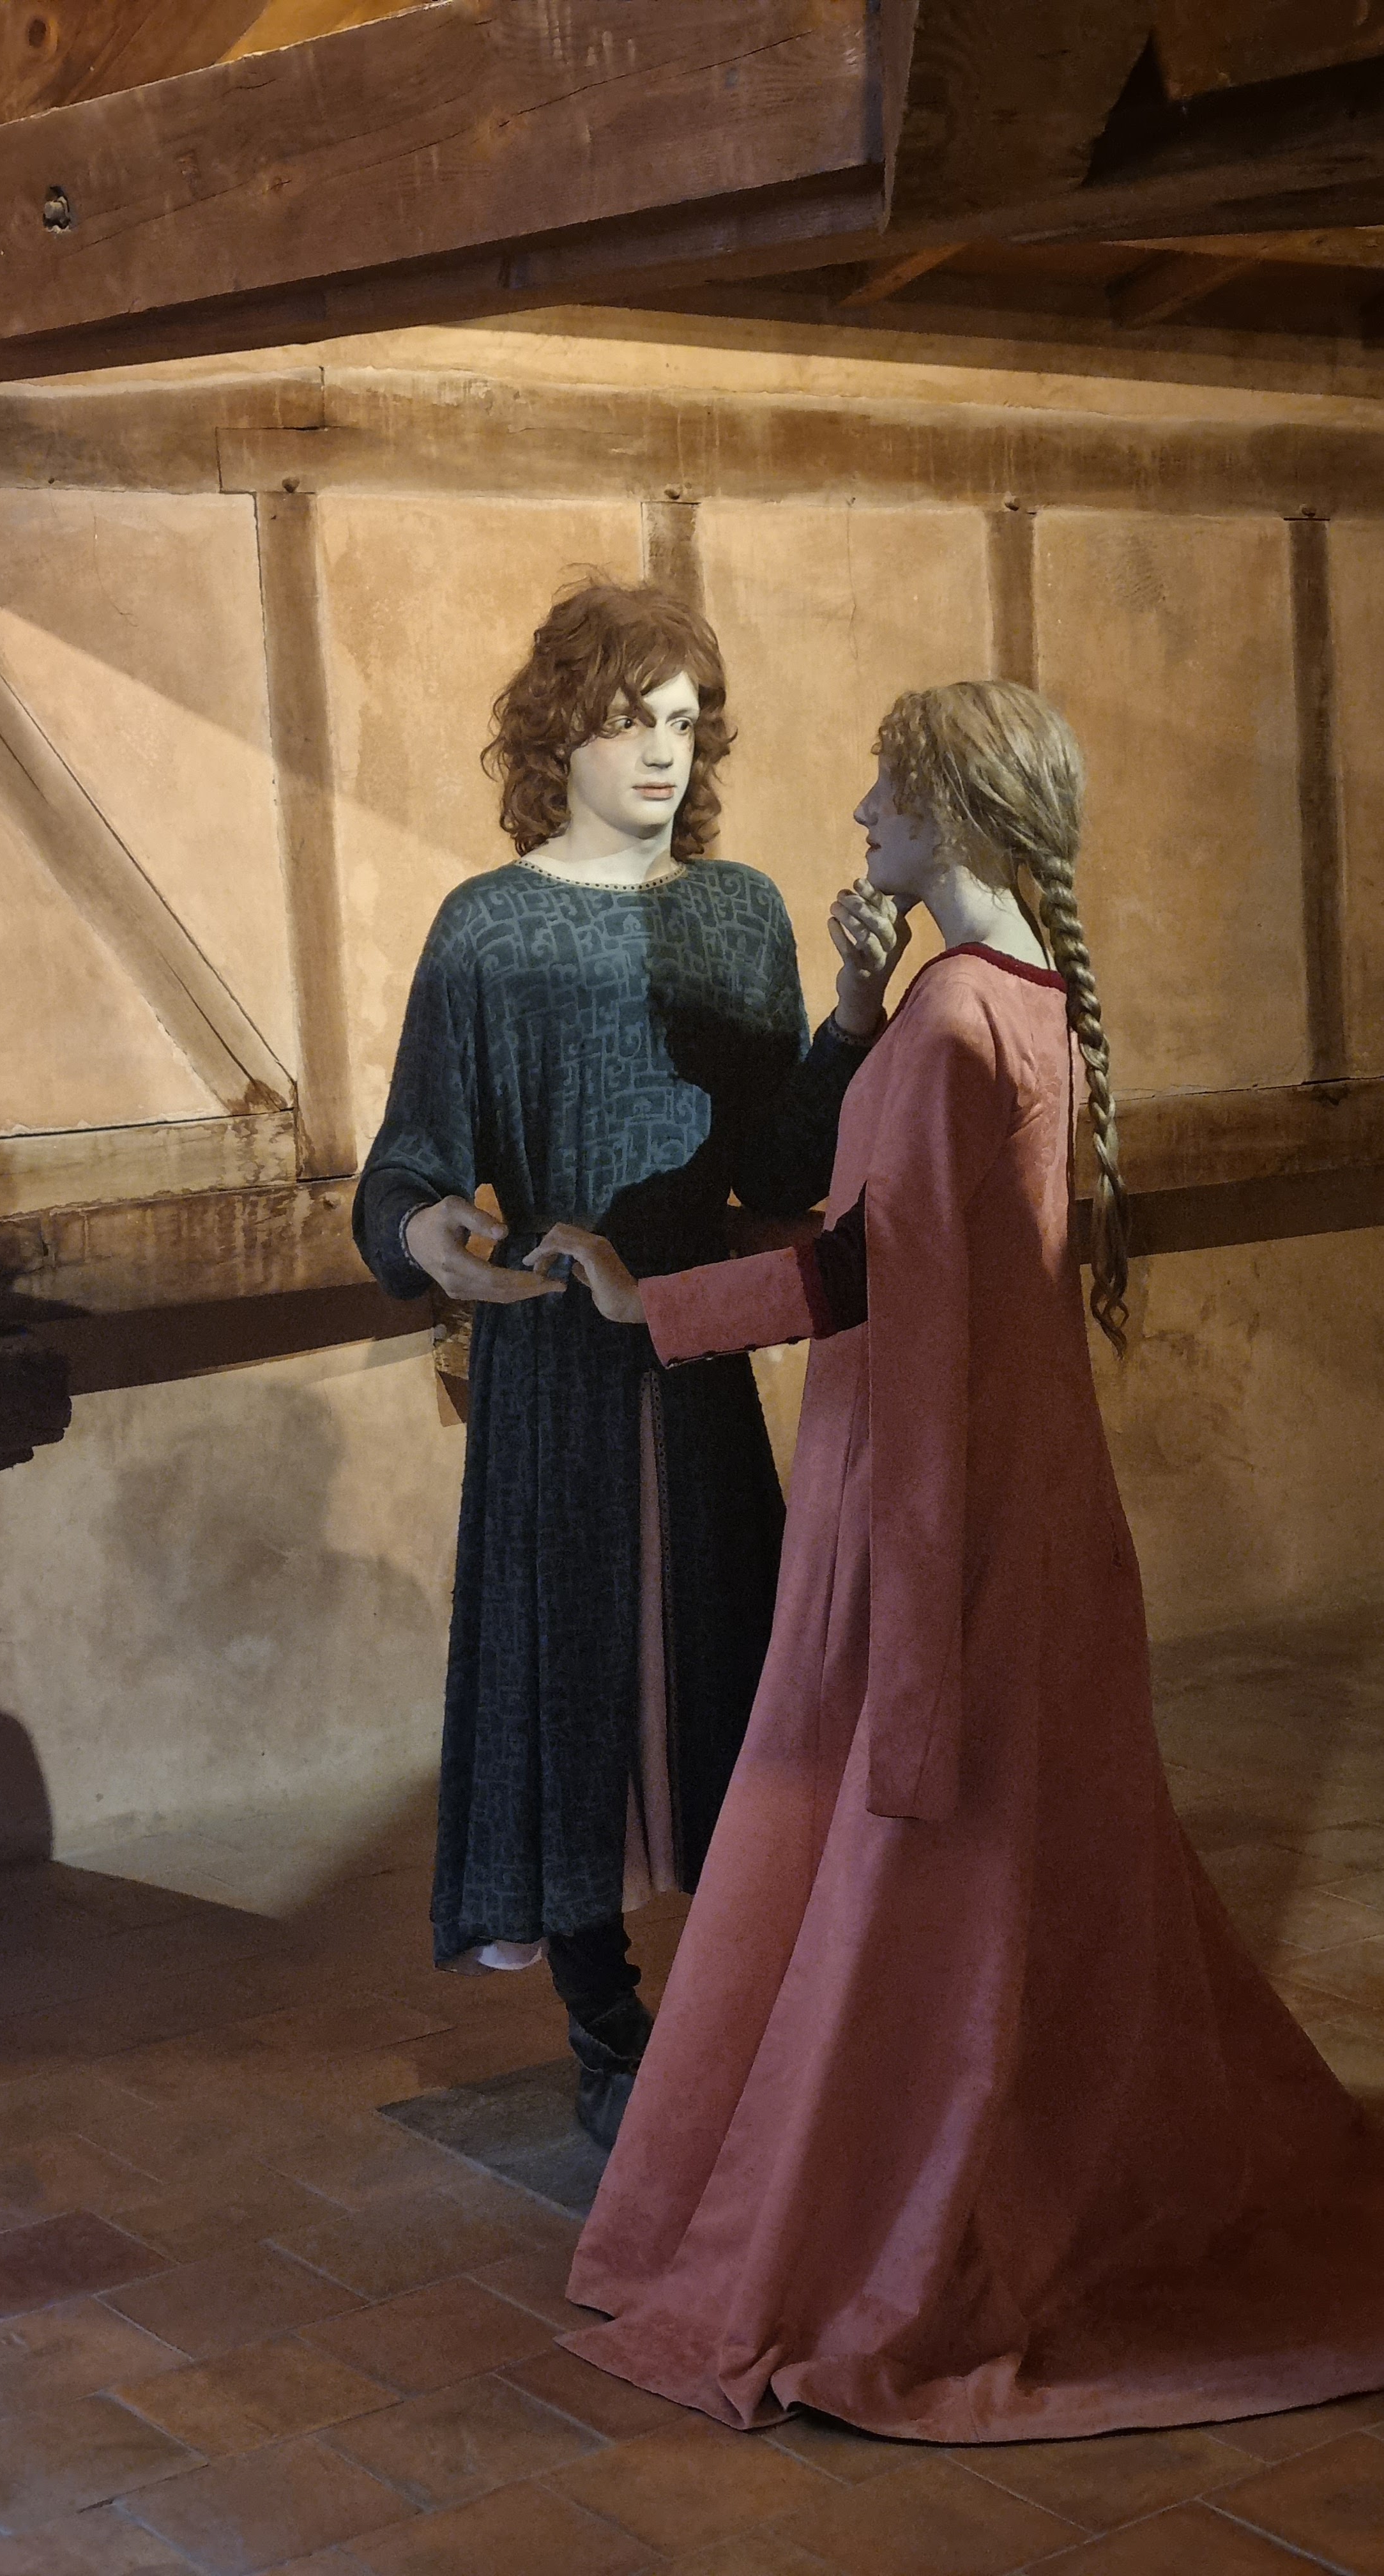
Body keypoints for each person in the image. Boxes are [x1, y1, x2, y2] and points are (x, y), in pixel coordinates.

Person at [532, 679, 1384, 2439]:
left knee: (914, 1861)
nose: (860, 814)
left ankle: (887, 2225)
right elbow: (912, 1254)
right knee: (1022, 1867)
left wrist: (645, 1306)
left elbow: (872, 1286)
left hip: (931, 1503)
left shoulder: (951, 1028)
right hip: (1025, 1497)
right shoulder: (1023, 995)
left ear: (959, 814)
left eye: (887, 789)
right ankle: (1008, 2177)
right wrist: (853, 1016)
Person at [353, 576, 905, 2146]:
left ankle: (750, 2016)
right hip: (553, 1378)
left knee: (737, 1672)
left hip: (698, 1352)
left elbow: (782, 1168)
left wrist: (852, 1017)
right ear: (560, 735)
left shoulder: (738, 914)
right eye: (625, 721)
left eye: (681, 722)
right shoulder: (490, 927)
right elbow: (408, 1164)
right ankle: (606, 2038)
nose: (661, 752)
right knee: (569, 1686)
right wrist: (434, 1237)